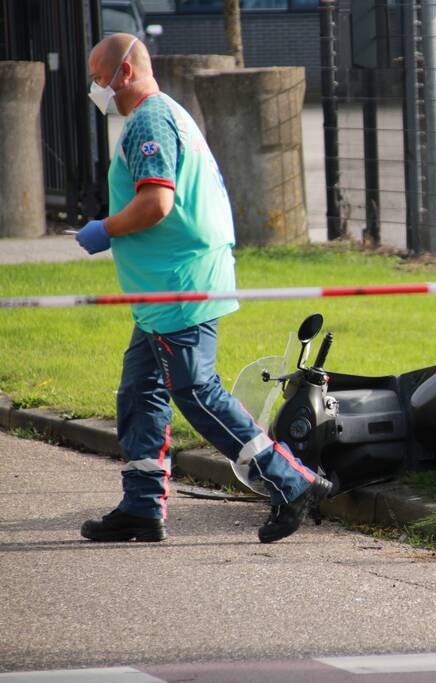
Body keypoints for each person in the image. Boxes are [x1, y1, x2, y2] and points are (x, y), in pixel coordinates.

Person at [76, 33, 333, 544]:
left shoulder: (149, 119)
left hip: (178, 285)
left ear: (124, 73)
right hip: (165, 289)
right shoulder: (164, 113)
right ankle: (141, 506)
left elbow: (156, 204)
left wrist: (104, 228)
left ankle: (292, 482)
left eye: (99, 77)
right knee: (140, 391)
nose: (96, 87)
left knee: (196, 392)